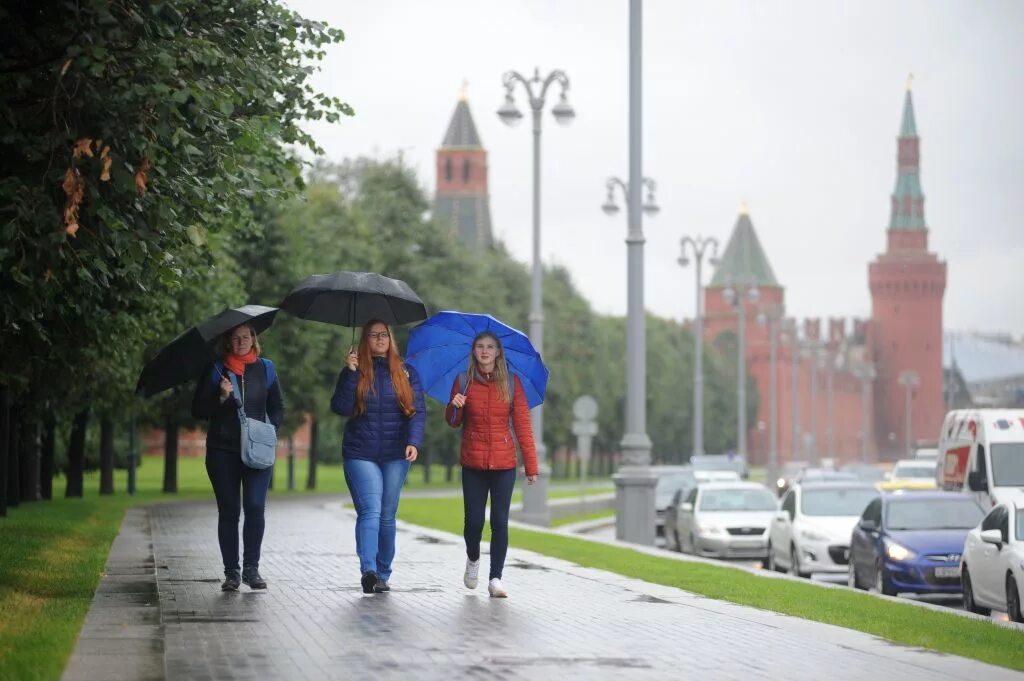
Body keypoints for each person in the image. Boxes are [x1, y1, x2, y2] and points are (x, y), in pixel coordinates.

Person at [332, 319, 425, 594]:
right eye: (373, 335)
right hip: (361, 453)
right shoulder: (356, 370)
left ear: (391, 338)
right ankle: (369, 571)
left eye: (384, 334)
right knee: (370, 511)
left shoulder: (407, 373)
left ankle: (383, 573)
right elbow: (341, 407)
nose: (380, 339)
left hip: (396, 454)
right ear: (365, 340)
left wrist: (414, 441)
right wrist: (349, 373)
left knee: (387, 515)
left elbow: (417, 412)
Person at [445, 331, 538, 598]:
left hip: (504, 464)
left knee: (499, 520)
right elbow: (452, 421)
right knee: (473, 522)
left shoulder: (511, 384)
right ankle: (473, 558)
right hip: (473, 463)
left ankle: (495, 578)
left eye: (490, 347)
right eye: (479, 346)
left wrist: (531, 465)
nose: (484, 351)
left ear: (498, 352)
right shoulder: (463, 382)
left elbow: (523, 425)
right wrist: (455, 406)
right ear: (474, 351)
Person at [191, 322, 283, 591]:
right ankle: (232, 572)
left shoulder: (266, 369)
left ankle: (252, 569)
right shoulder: (217, 369)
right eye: (235, 337)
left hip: (257, 449)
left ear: (254, 339)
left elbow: (277, 406)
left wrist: (269, 429)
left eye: (246, 336)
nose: (241, 341)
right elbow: (197, 410)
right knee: (230, 511)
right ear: (228, 342)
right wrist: (220, 397)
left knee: (255, 506)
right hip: (223, 451)